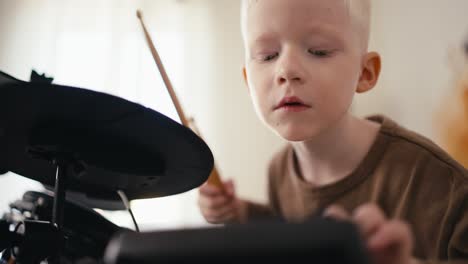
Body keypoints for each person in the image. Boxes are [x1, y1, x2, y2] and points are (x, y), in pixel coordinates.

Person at [198, 0, 468, 263]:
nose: (287, 70)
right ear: (248, 81)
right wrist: (239, 213)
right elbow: (293, 233)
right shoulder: (279, 171)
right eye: (268, 55)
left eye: (318, 51)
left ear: (365, 73)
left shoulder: (440, 183)